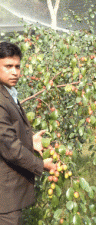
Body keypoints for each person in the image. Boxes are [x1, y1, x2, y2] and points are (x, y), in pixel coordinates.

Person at [0, 42, 57, 225]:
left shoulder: (8, 94)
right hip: (5, 196)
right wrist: (42, 165)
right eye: (8, 66)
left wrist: (29, 141)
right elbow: (11, 149)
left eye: (17, 66)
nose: (15, 72)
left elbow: (6, 137)